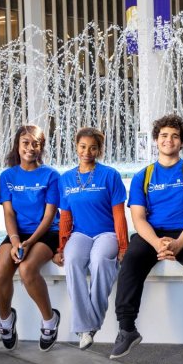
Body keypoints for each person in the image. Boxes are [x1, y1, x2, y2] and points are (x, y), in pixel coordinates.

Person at [110, 114, 183, 362]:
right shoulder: (143, 176)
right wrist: (158, 243)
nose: (169, 140)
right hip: (152, 233)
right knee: (132, 259)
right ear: (156, 140)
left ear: (182, 142)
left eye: (175, 136)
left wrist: (178, 244)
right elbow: (138, 219)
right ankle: (126, 329)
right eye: (164, 136)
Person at [53, 127, 128, 350]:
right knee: (73, 260)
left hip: (106, 233)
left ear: (99, 150)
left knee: (99, 260)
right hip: (80, 233)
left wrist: (123, 245)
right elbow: (65, 218)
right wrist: (61, 247)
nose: (87, 151)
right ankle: (86, 327)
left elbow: (118, 214)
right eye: (83, 147)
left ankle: (89, 325)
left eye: (93, 147)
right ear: (76, 147)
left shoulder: (110, 175)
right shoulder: (66, 179)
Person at [0, 124, 61, 352]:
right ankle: (5, 320)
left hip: (46, 231)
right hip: (18, 234)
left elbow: (50, 215)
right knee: (0, 268)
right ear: (17, 145)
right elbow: (9, 213)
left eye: (36, 143)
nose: (30, 148)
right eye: (25, 143)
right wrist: (14, 241)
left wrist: (29, 243)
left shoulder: (51, 175)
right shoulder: (8, 176)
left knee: (27, 269)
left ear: (41, 147)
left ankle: (49, 320)